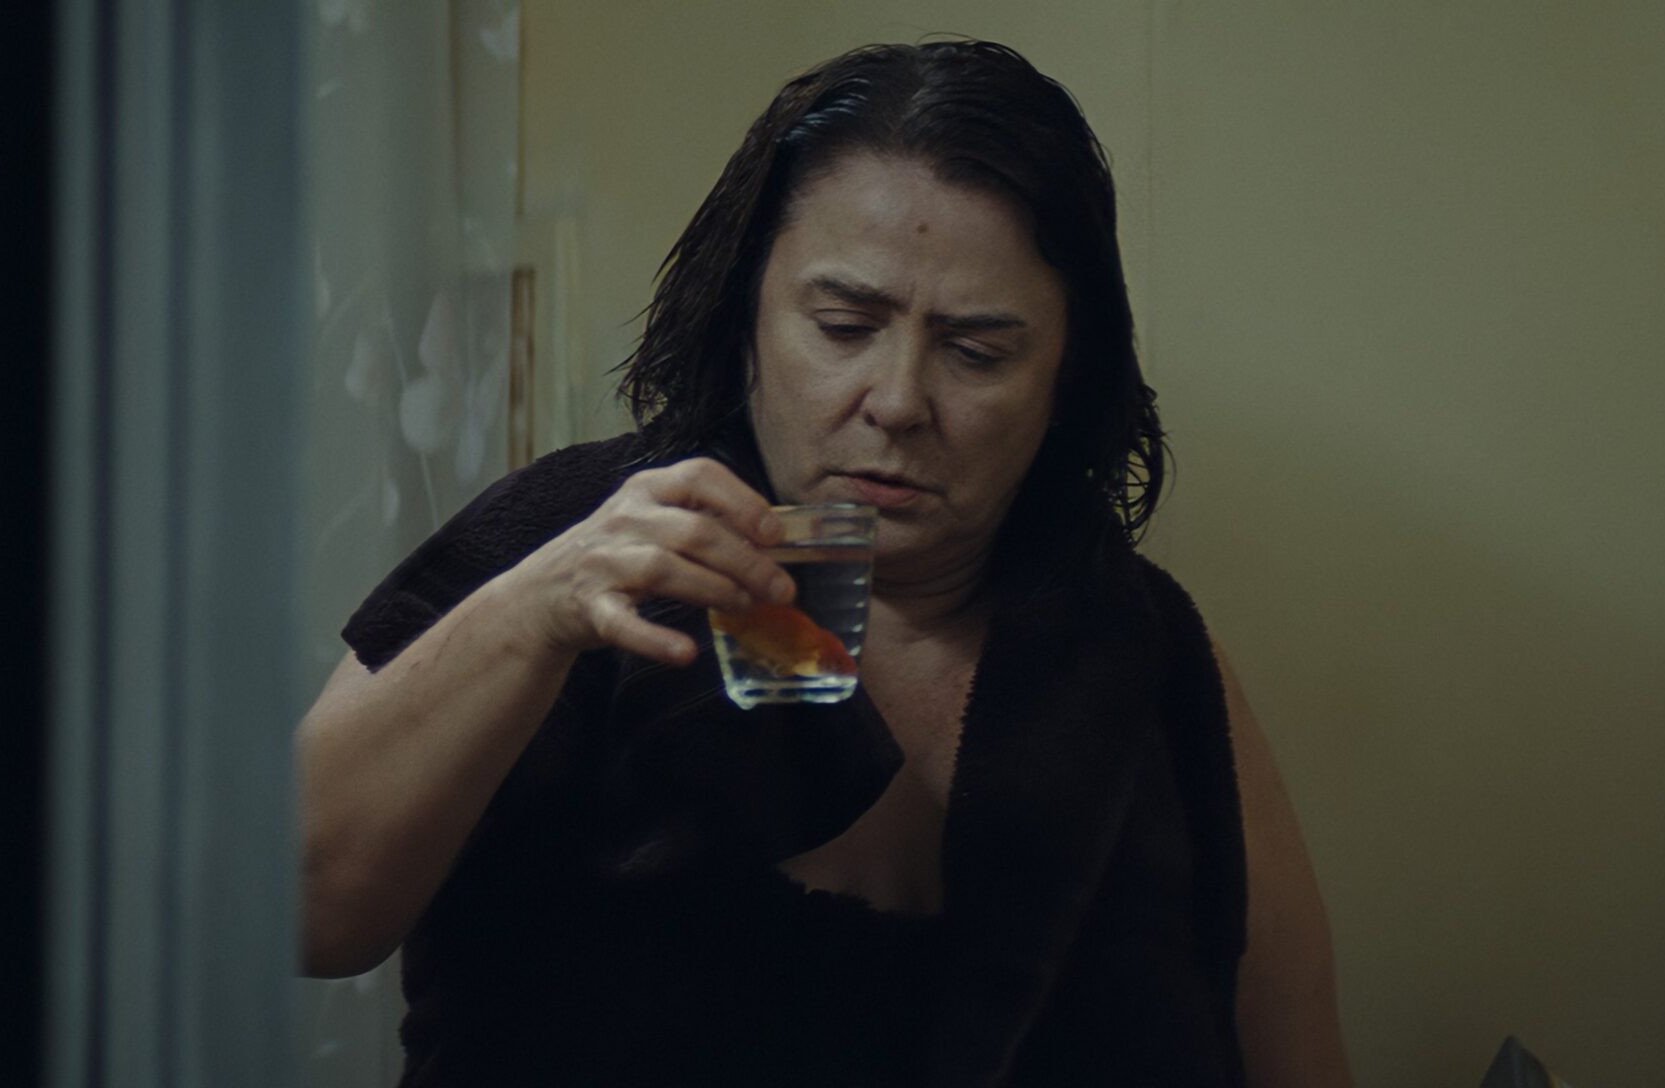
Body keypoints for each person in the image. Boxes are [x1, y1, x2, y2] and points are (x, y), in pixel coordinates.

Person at [297, 39, 1351, 1087]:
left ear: (1066, 376)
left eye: (978, 352)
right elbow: (304, 909)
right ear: (745, 314)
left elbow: (1297, 1054)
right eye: (844, 326)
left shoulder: (1137, 648)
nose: (897, 401)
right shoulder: (573, 541)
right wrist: (535, 613)